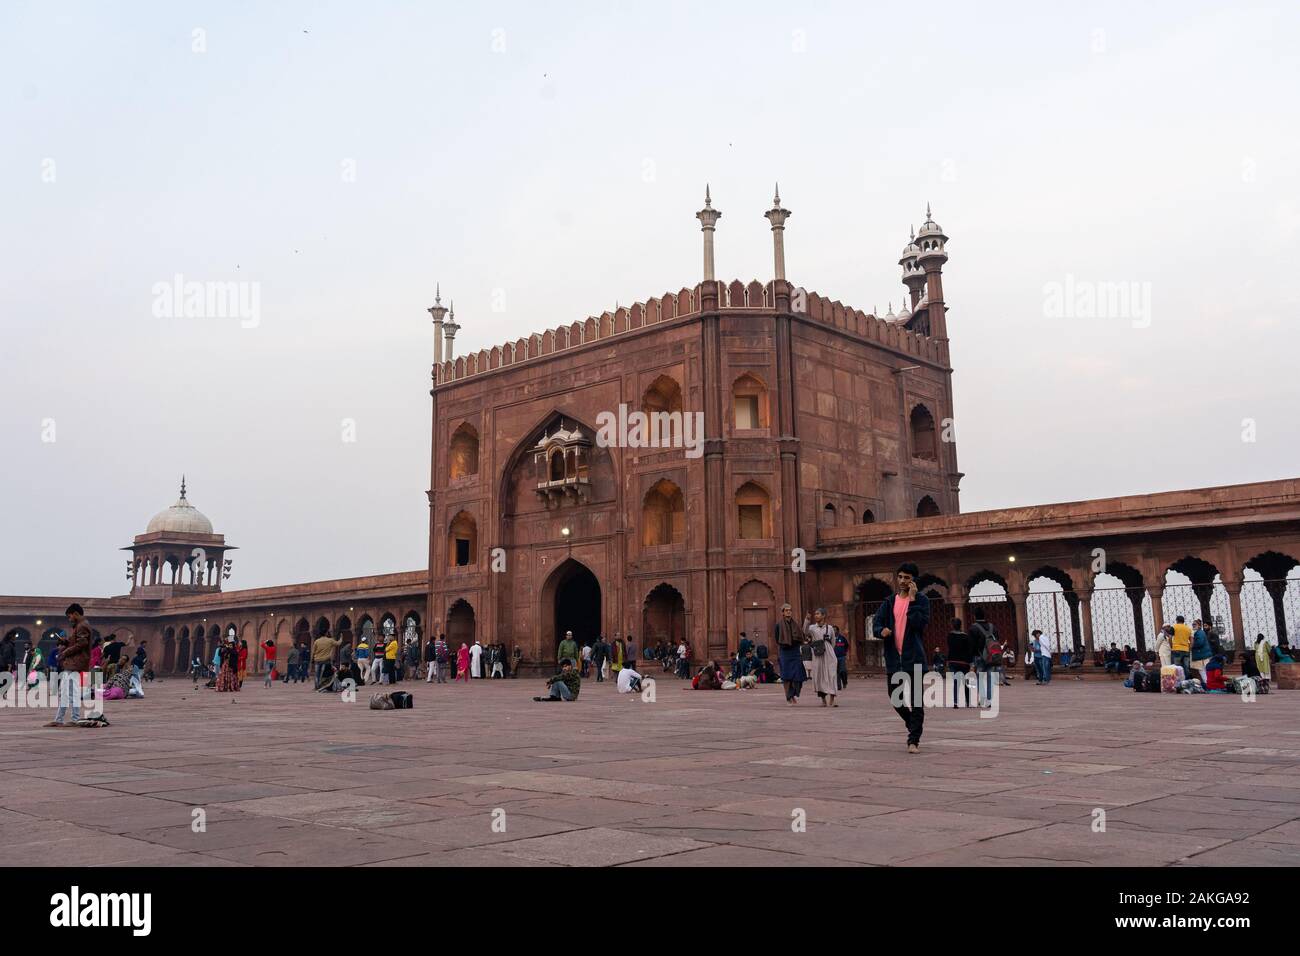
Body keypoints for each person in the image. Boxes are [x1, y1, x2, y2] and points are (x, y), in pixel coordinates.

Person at [871, 562, 930, 753]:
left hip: (914, 658)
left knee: (917, 701)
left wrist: (912, 600)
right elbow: (876, 625)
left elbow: (919, 624)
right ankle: (913, 725)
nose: (903, 581)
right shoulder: (889, 602)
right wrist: (882, 631)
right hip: (895, 659)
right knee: (895, 698)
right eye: (901, 577)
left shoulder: (922, 601)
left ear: (914, 581)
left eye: (907, 578)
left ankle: (913, 740)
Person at [47, 603, 92, 728]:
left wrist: (65, 652)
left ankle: (75, 718)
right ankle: (60, 718)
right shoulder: (80, 626)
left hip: (76, 663)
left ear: (76, 614)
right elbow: (76, 642)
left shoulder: (82, 626)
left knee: (72, 691)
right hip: (73, 663)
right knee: (65, 691)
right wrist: (65, 642)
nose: (69, 619)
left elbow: (81, 644)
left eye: (70, 616)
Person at [803, 608, 838, 707]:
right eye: (815, 614)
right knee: (819, 676)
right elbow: (805, 631)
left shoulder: (830, 628)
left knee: (832, 674)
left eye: (818, 614)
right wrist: (807, 620)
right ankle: (823, 699)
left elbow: (833, 642)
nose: (816, 616)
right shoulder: (812, 628)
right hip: (818, 654)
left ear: (823, 615)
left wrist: (830, 650)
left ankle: (832, 697)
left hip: (829, 654)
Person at [774, 603, 806, 704]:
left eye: (790, 610)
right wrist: (785, 643)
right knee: (787, 675)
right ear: (782, 612)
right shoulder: (779, 625)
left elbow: (801, 635)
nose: (788, 612)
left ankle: (793, 693)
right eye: (786, 610)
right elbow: (777, 638)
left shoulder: (795, 624)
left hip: (795, 651)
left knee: (798, 674)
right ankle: (789, 696)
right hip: (785, 652)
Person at [946, 618, 973, 707]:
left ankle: (955, 702)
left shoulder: (950, 636)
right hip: (964, 662)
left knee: (955, 682)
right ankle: (968, 702)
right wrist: (971, 662)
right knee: (966, 682)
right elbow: (969, 650)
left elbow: (950, 647)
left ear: (952, 626)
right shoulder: (966, 636)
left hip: (953, 661)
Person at [833, 624, 850, 691]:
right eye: (832, 630)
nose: (833, 631)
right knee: (836, 672)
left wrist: (844, 652)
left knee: (842, 671)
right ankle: (838, 686)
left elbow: (846, 646)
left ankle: (845, 682)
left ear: (837, 631)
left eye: (834, 630)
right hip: (834, 658)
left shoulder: (842, 638)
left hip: (842, 657)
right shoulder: (831, 638)